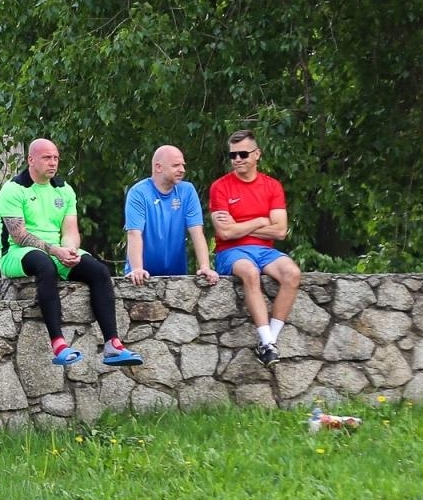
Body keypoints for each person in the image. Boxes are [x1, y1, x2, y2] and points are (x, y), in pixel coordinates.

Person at [0, 139, 142, 367]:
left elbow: (70, 231)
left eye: (56, 158)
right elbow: (19, 236)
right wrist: (55, 251)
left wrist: (70, 250)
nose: (53, 163)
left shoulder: (64, 189)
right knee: (45, 264)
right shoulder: (13, 189)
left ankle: (113, 345)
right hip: (16, 253)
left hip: (56, 250)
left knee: (98, 271)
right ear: (31, 160)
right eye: (47, 158)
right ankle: (59, 345)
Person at [208, 129, 303, 366]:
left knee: (292, 273)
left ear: (257, 154)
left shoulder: (272, 186)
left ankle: (268, 342)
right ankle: (267, 341)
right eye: (233, 155)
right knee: (250, 273)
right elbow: (225, 234)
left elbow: (280, 231)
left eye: (243, 154)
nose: (237, 159)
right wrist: (260, 221)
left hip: (265, 251)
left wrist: (240, 227)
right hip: (231, 252)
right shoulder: (220, 187)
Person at [124, 145, 220, 285]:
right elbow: (134, 233)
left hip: (177, 274)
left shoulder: (187, 191)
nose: (182, 170)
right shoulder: (138, 192)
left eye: (183, 165)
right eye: (176, 165)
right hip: (142, 275)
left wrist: (205, 266)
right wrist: (137, 269)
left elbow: (197, 232)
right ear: (158, 167)